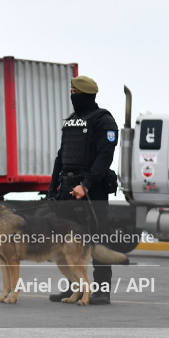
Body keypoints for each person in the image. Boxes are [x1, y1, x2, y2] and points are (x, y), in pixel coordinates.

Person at [46, 75, 119, 305]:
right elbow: (61, 156)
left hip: (92, 191)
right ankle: (73, 288)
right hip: (67, 189)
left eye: (75, 93)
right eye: (71, 92)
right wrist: (52, 187)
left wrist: (86, 185)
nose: (72, 96)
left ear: (87, 95)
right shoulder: (71, 121)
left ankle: (102, 290)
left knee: (97, 240)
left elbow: (105, 156)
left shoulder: (103, 120)